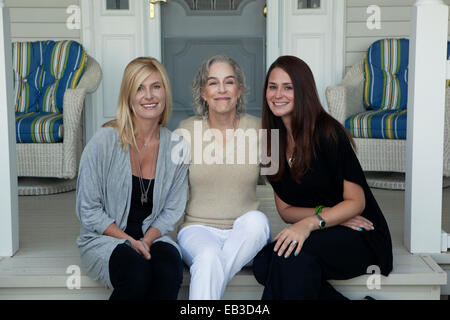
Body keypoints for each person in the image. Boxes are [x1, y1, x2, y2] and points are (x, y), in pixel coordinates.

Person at [253, 55, 393, 300]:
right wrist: (326, 216)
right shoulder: (270, 144)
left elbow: (355, 203)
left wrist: (309, 223)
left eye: (288, 87)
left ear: (304, 91)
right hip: (327, 227)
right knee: (264, 263)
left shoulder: (327, 132)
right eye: (272, 87)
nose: (278, 95)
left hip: (361, 233)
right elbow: (286, 210)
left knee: (289, 258)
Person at [76, 57, 189, 300]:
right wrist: (130, 241)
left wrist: (146, 240)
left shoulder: (177, 146)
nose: (149, 95)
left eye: (156, 87)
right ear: (128, 97)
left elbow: (172, 209)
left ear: (165, 93)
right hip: (105, 240)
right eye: (139, 88)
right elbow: (88, 209)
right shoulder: (103, 142)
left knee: (168, 271)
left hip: (154, 238)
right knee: (136, 272)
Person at [175, 55, 271, 300]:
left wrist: (323, 214)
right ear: (203, 92)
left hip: (244, 233)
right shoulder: (185, 131)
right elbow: (168, 189)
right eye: (213, 83)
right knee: (207, 256)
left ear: (239, 90)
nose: (221, 90)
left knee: (258, 221)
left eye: (229, 82)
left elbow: (287, 184)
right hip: (196, 229)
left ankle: (212, 276)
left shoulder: (262, 130)